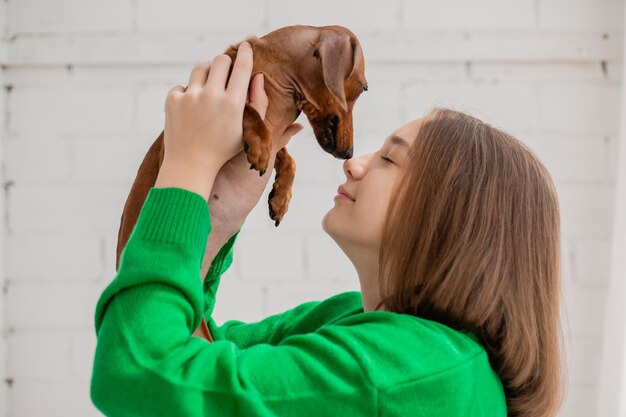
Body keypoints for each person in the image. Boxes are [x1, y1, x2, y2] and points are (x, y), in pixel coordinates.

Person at [90, 41, 563, 417]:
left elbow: (141, 370)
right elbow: (188, 354)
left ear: (453, 216)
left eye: (390, 158)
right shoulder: (354, 324)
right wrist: (217, 216)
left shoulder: (410, 367)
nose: (353, 164)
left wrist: (187, 163)